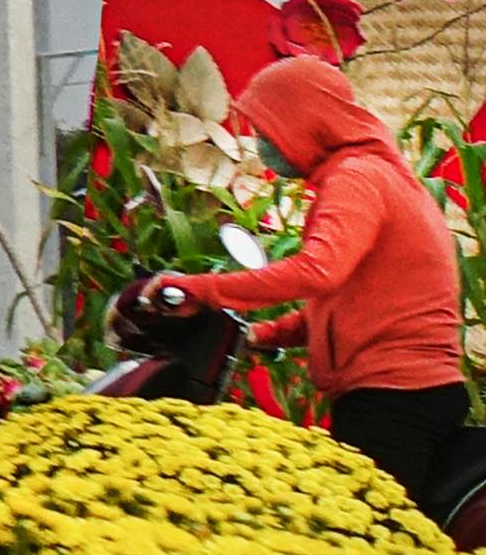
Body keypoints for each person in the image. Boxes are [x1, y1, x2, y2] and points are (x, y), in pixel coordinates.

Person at [171, 52, 469, 509]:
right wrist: (261, 336)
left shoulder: (356, 178)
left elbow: (318, 270)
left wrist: (201, 288)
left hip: (393, 399)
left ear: (304, 122)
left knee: (368, 544)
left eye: (268, 128)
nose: (261, 142)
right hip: (413, 393)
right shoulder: (375, 172)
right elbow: (355, 300)